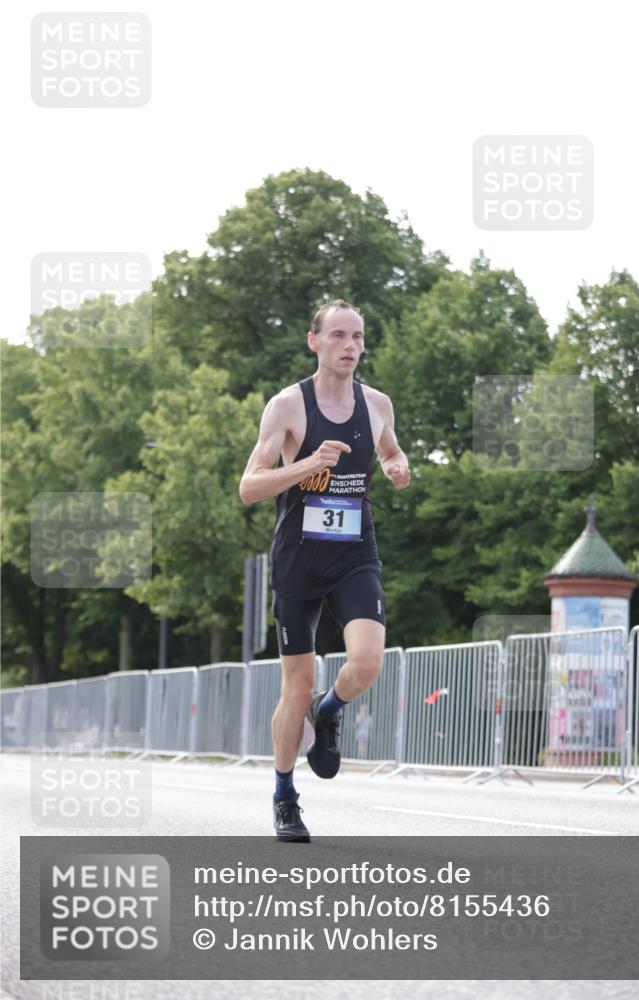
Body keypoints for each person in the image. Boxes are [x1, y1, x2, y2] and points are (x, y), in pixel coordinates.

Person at [238, 298, 411, 841]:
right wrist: (309, 464)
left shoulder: (377, 404)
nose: (350, 345)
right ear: (314, 341)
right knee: (296, 685)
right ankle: (284, 795)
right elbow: (249, 487)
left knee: (368, 661)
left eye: (357, 336)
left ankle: (331, 709)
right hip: (299, 557)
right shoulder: (288, 406)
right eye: (338, 335)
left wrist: (398, 467)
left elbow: (391, 452)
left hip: (354, 553)